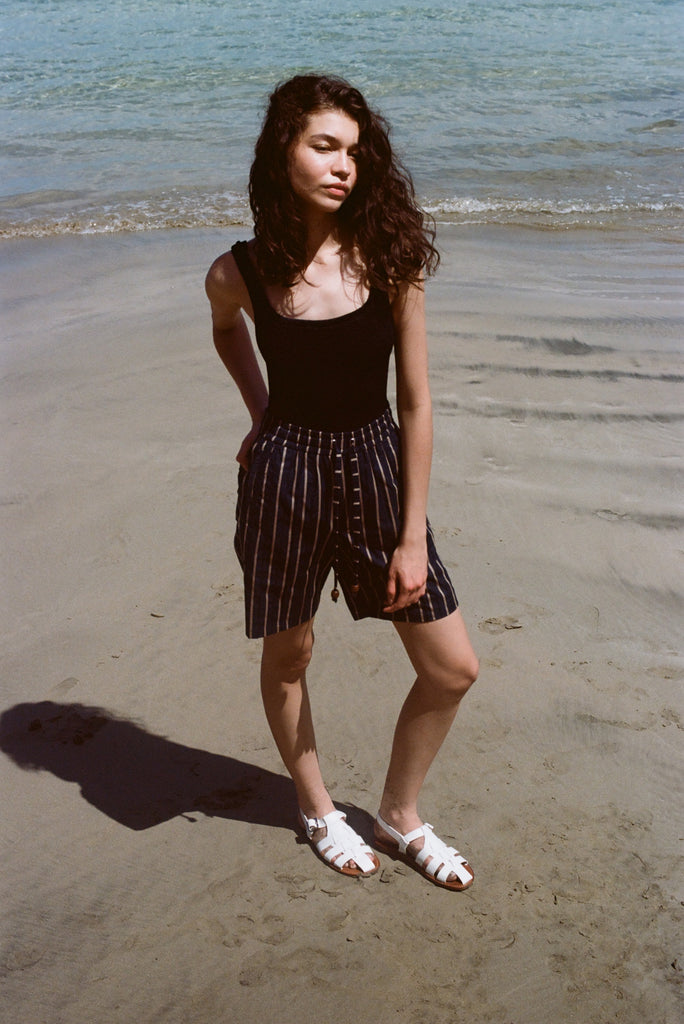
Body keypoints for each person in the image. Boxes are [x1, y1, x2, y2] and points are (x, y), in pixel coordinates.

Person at [205, 74, 478, 891]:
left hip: (377, 469)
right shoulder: (238, 271)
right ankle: (319, 807)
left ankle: (399, 813)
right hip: (284, 474)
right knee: (290, 654)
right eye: (324, 146)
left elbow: (418, 401)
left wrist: (409, 536)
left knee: (452, 665)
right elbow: (226, 333)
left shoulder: (390, 261)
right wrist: (262, 413)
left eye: (355, 152)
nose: (343, 165)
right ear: (280, 149)